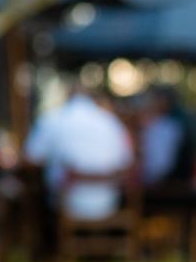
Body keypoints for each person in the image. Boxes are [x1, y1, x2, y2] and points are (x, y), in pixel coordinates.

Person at [25, 85, 133, 222]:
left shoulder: (52, 119)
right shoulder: (110, 122)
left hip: (66, 206)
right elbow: (126, 163)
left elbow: (32, 158)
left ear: (67, 96)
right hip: (107, 205)